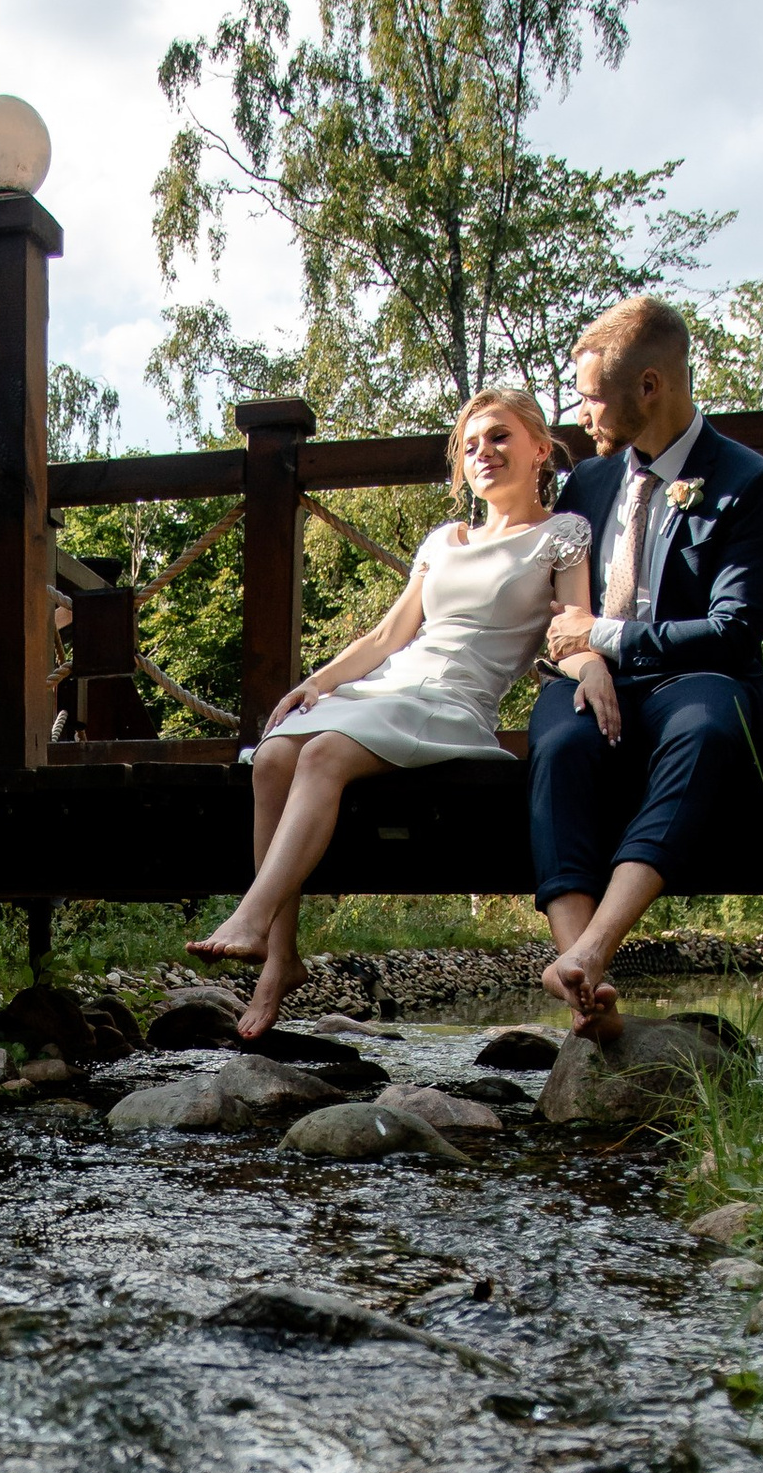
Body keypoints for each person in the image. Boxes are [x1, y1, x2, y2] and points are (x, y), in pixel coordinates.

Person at [187, 384, 601, 1038]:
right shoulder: (444, 540)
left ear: (539, 450)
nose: (483, 453)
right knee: (273, 757)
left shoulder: (560, 536)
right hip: (391, 688)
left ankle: (252, 916)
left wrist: (594, 668)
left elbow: (574, 627)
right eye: (470, 446)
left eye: (499, 437)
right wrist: (315, 684)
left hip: (456, 702)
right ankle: (282, 959)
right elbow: (388, 636)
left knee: (322, 754)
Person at [530, 295, 763, 1028]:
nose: (580, 415)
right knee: (559, 742)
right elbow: (558, 615)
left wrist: (605, 638)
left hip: (695, 682)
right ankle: (578, 976)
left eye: (590, 398)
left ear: (650, 386)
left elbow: (734, 631)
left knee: (706, 731)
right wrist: (588, 661)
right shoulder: (588, 484)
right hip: (592, 677)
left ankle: (595, 949)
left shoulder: (749, 482)